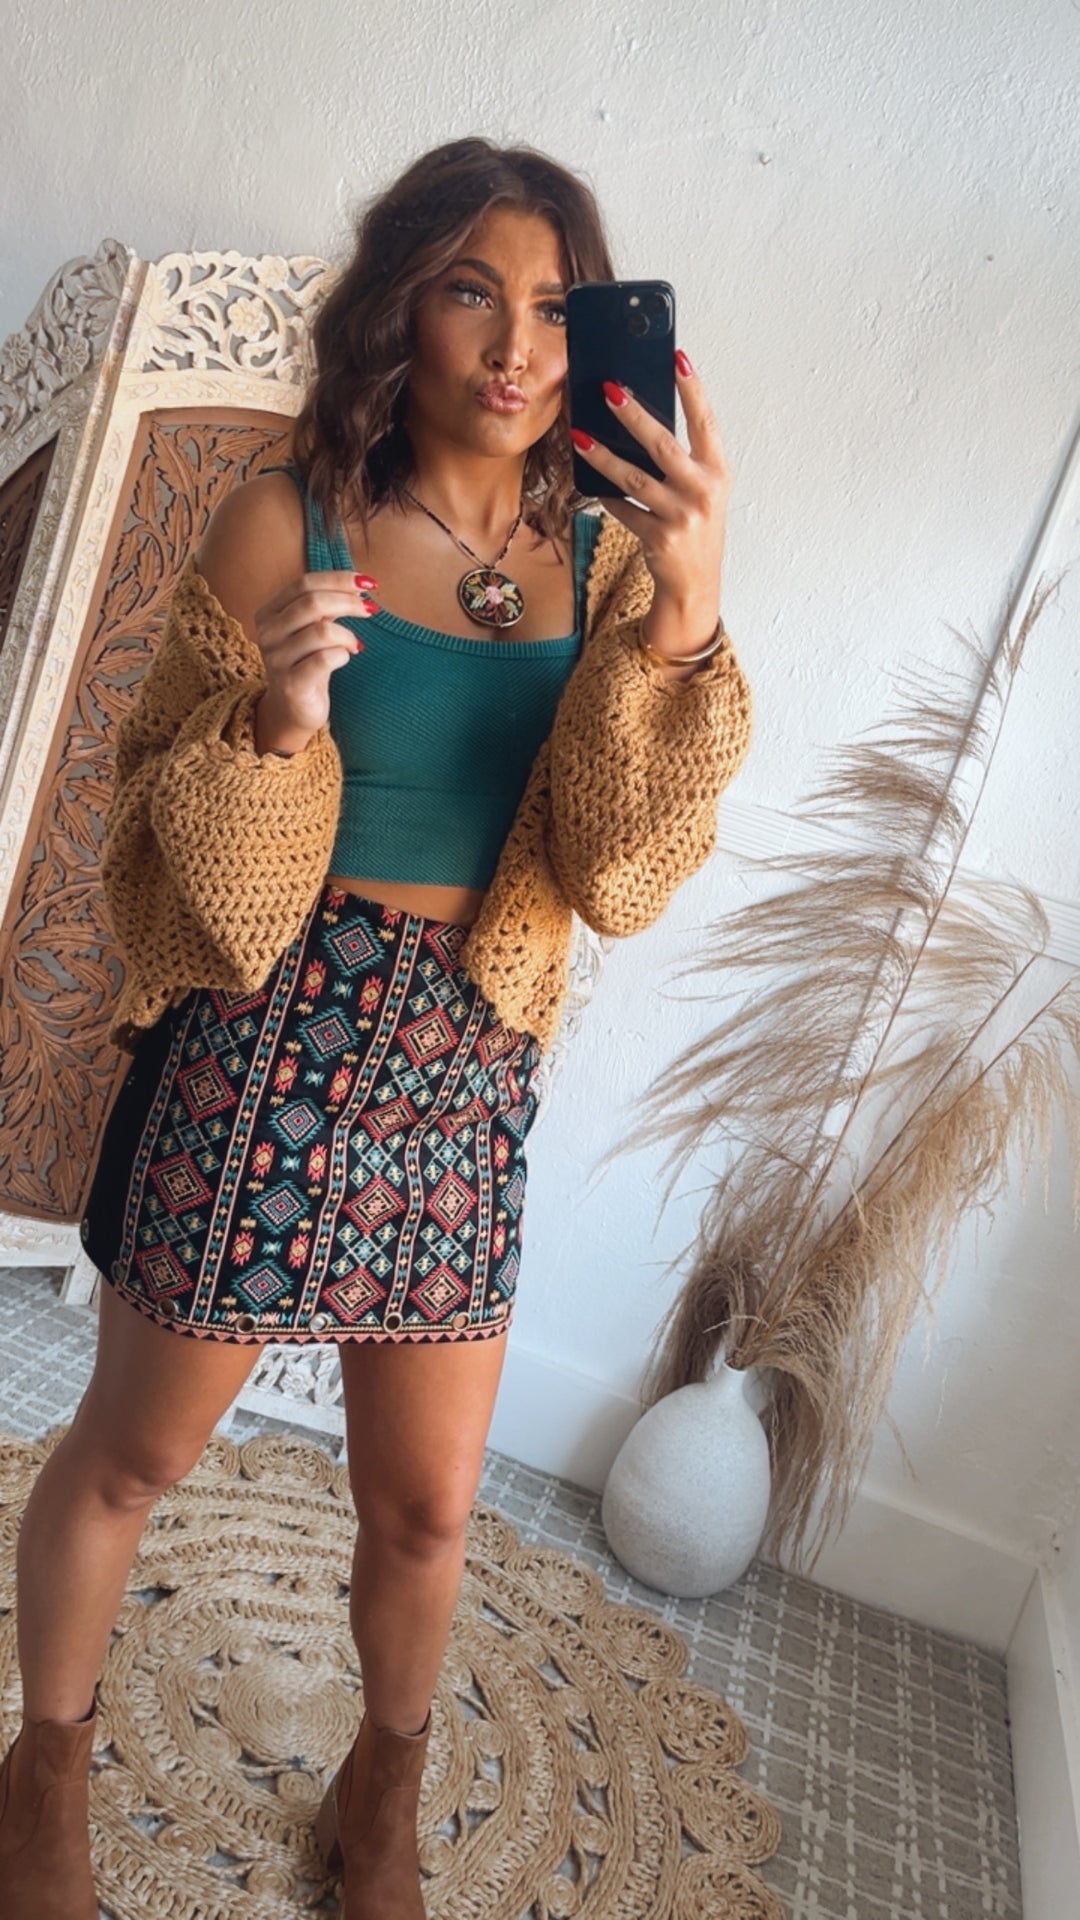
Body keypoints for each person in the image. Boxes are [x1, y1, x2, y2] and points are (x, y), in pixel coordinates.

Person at [0, 137, 752, 1920]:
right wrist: (275, 724)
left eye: (556, 305)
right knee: (133, 1455)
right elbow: (167, 852)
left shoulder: (611, 561)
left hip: (466, 1069)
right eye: (472, 290)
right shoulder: (287, 519)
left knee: (424, 1511)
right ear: (401, 308)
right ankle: (45, 1776)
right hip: (263, 1040)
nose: (517, 344)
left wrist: (692, 609)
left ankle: (383, 1800)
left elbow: (621, 874)